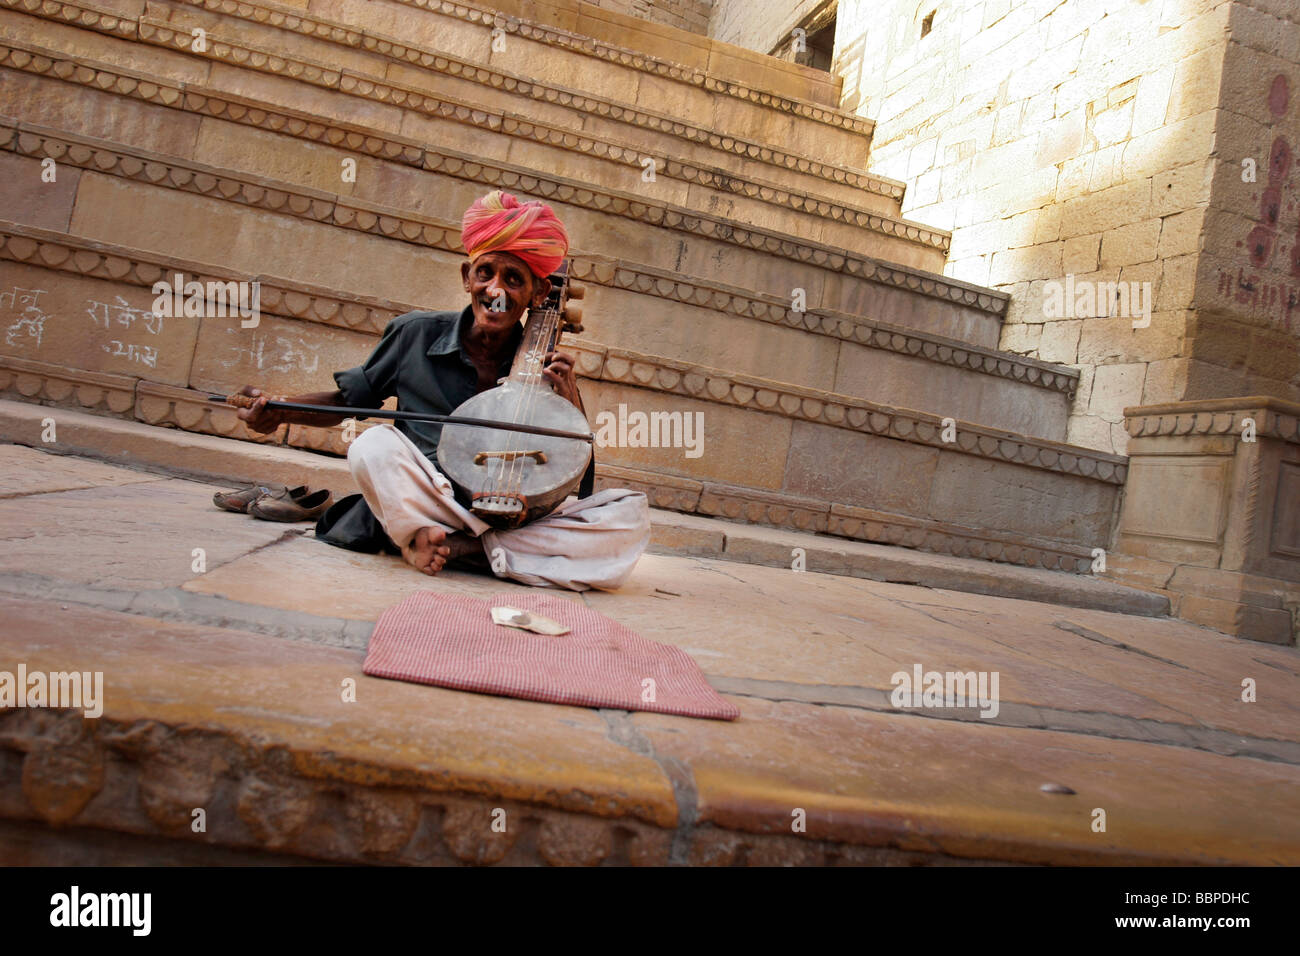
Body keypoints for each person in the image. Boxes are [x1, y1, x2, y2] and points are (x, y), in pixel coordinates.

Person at [236, 190, 650, 591]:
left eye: (514, 280)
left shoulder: (542, 365)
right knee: (373, 445)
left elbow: (572, 467)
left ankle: (449, 546)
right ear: (467, 276)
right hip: (430, 496)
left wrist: (568, 396)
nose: (496, 291)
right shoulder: (414, 333)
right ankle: (479, 547)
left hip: (508, 511)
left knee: (629, 516)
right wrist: (278, 410)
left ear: (538, 294)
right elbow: (350, 402)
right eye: (485, 272)